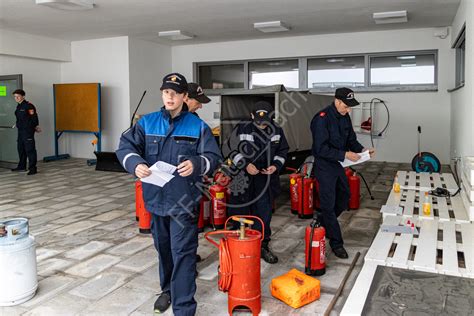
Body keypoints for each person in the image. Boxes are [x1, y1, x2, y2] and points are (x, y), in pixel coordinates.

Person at [116, 73, 222, 315]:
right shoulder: (147, 122)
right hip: (155, 200)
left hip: (184, 202)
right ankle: (168, 291)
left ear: (185, 96)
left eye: (176, 93)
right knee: (163, 250)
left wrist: (197, 163)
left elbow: (214, 158)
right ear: (162, 94)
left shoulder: (198, 127)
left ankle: (184, 307)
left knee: (183, 253)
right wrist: (135, 164)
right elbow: (125, 147)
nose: (170, 96)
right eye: (166, 92)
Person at [310, 87, 375, 259]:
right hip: (324, 166)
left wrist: (363, 151)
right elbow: (320, 148)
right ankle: (336, 242)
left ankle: (322, 221)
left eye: (350, 106)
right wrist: (344, 154)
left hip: (338, 164)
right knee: (329, 204)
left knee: (345, 196)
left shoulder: (345, 117)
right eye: (346, 106)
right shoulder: (322, 119)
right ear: (337, 101)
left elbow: (351, 140)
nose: (349, 110)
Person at [225, 100, 289, 264]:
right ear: (252, 116)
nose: (262, 125)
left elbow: (282, 151)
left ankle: (262, 246)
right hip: (242, 179)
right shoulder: (242, 128)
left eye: (266, 121)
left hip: (265, 179)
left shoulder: (277, 131)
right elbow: (229, 149)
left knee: (263, 214)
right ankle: (237, 249)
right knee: (239, 213)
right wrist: (245, 165)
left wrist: (275, 166)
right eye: (258, 121)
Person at [11, 89, 40, 175]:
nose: (16, 98)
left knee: (30, 150)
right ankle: (22, 166)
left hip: (27, 131)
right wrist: (16, 124)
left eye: (18, 96)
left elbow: (34, 118)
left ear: (23, 96)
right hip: (20, 131)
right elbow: (20, 118)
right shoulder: (18, 106)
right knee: (21, 149)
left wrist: (36, 126)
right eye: (15, 97)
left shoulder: (29, 106)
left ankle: (33, 169)